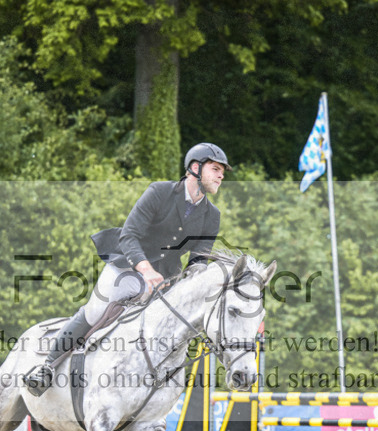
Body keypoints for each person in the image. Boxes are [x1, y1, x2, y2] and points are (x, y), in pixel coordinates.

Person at [24, 142, 230, 396]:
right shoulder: (159, 192)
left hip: (167, 276)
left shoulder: (212, 216)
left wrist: (196, 284)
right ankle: (47, 367)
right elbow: (129, 236)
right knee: (96, 309)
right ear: (195, 168)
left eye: (222, 171)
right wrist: (145, 269)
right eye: (215, 168)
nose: (221, 175)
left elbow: (199, 260)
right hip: (129, 264)